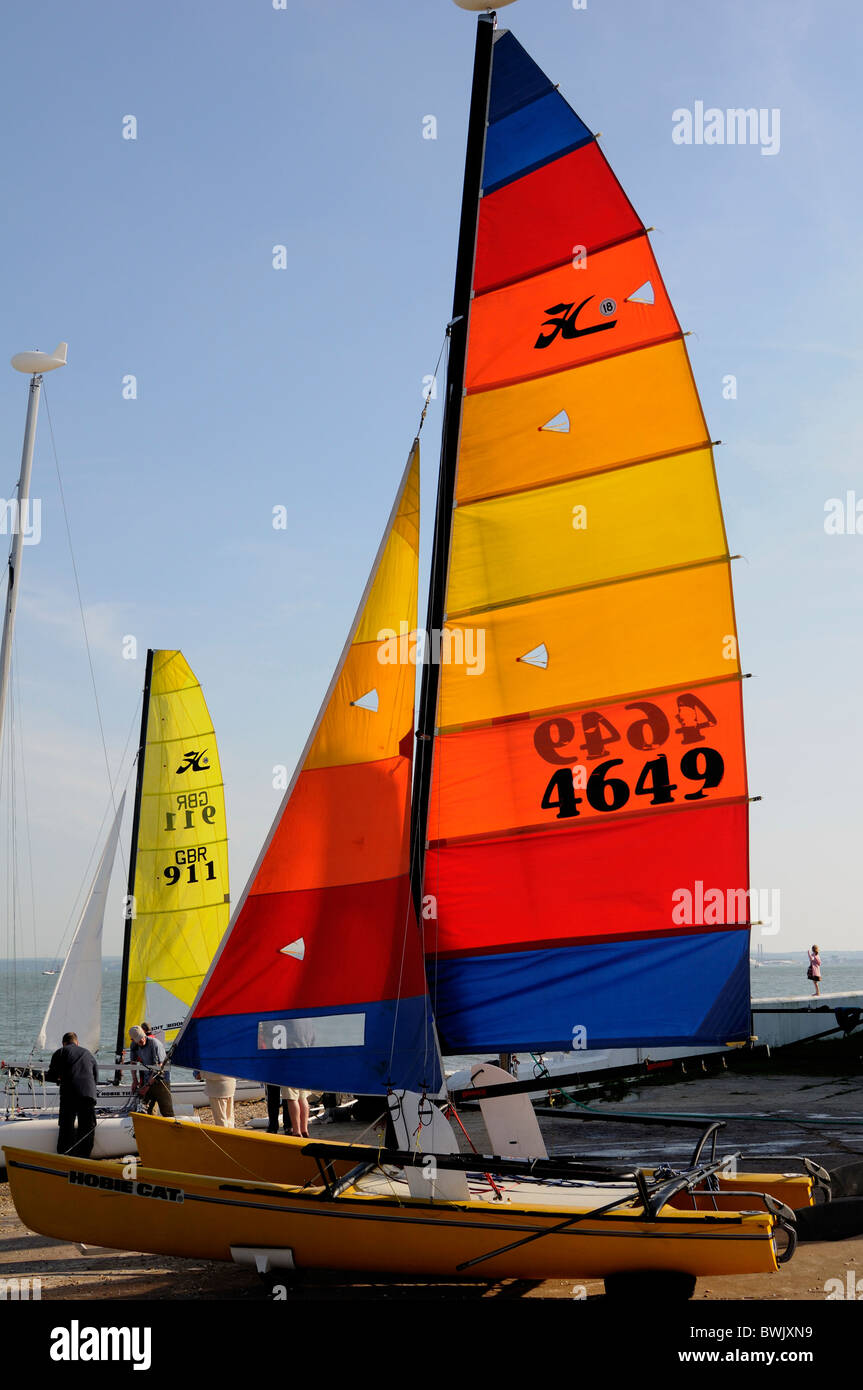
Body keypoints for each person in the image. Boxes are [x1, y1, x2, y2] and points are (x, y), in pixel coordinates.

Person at [45, 1031, 99, 1158]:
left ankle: (65, 1154)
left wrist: (56, 1078)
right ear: (77, 1042)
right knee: (86, 1128)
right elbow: (95, 1076)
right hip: (88, 1093)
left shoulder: (60, 1052)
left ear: (63, 1043)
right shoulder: (88, 1053)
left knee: (66, 1126)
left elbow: (52, 1075)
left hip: (70, 1093)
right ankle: (84, 1157)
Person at [129, 1024, 174, 1116]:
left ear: (144, 1034)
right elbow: (133, 1063)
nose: (141, 1041)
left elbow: (159, 1066)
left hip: (161, 1080)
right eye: (138, 1040)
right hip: (147, 1079)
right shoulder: (134, 1046)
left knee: (166, 1111)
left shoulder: (154, 1043)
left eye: (142, 1037)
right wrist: (134, 1080)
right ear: (133, 1040)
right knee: (146, 1110)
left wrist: (147, 1087)